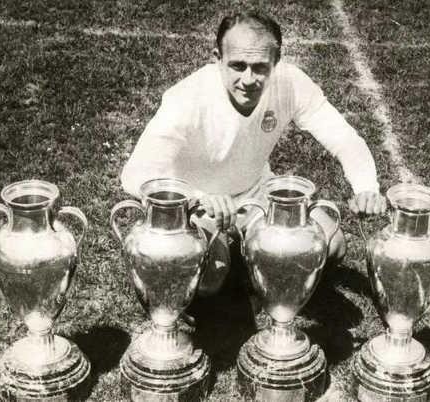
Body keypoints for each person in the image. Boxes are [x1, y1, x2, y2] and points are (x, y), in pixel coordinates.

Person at [121, 11, 386, 295]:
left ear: (276, 61)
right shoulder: (185, 99)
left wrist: (366, 188)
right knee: (208, 280)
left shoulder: (291, 83)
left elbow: (343, 138)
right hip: (200, 205)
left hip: (256, 193)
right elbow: (135, 175)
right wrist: (198, 199)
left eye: (260, 67)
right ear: (217, 58)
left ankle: (257, 270)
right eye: (238, 65)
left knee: (331, 245)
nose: (248, 79)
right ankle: (243, 263)